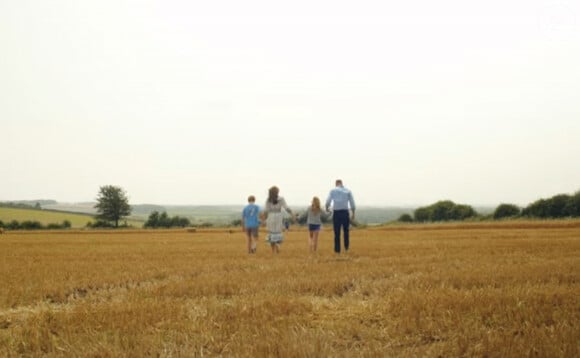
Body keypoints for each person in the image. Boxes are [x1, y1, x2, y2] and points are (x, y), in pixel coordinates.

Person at [325, 179, 356, 254]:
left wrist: (327, 208)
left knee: (337, 232)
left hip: (336, 213)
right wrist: (353, 213)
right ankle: (346, 247)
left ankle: (337, 250)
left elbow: (327, 201)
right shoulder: (348, 191)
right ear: (342, 183)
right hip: (345, 212)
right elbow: (352, 203)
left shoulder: (332, 191)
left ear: (336, 184)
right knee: (346, 231)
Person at [261, 186, 293, 254]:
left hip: (270, 217)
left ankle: (273, 251)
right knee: (277, 233)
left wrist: (263, 220)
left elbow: (266, 211)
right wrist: (292, 214)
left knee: (271, 234)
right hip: (278, 217)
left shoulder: (268, 199)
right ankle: (277, 246)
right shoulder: (281, 199)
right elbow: (287, 208)